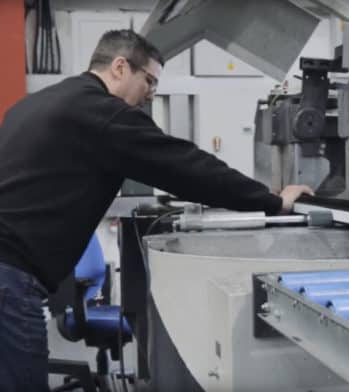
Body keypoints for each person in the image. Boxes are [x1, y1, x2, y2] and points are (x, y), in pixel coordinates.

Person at [0, 29, 313, 390]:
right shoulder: (103, 114)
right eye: (149, 81)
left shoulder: (38, 103)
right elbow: (183, 167)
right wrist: (273, 201)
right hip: (10, 280)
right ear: (119, 67)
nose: (151, 94)